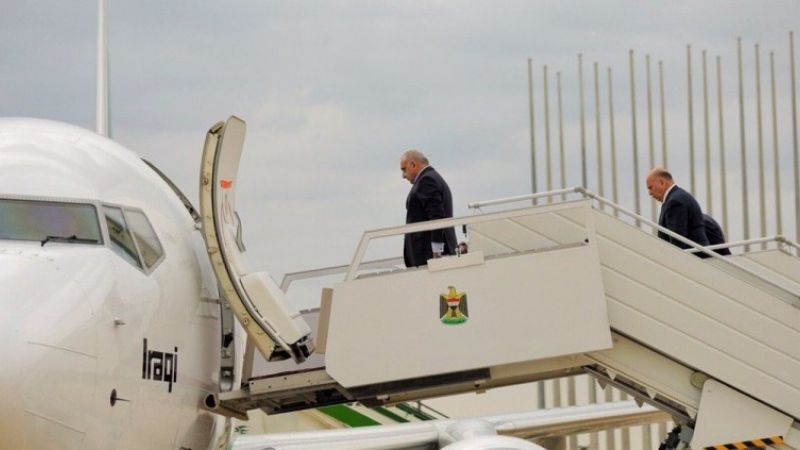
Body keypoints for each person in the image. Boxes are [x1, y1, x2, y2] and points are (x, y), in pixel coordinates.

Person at [400, 150, 457, 267]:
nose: (403, 176)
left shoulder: (426, 181)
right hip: (432, 258)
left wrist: (437, 253)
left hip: (430, 259)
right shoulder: (432, 177)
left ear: (413, 164)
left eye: (404, 169)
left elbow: (437, 217)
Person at [645, 167, 710, 254]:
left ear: (662, 183)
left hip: (692, 258)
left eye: (650, 187)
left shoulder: (674, 202)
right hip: (697, 255)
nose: (650, 193)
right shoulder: (679, 196)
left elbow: (677, 242)